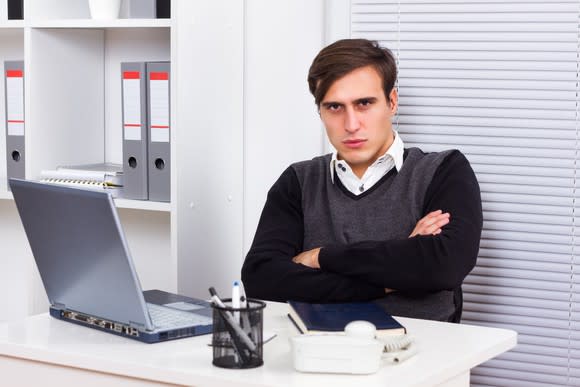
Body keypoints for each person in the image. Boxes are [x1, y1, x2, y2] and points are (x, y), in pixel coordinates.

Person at [241, 39, 482, 322]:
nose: (351, 124)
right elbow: (262, 279)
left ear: (391, 102)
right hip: (315, 349)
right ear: (319, 111)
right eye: (334, 107)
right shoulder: (299, 181)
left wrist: (320, 257)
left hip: (422, 353)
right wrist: (392, 277)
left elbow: (443, 265)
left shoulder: (442, 170)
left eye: (364, 103)